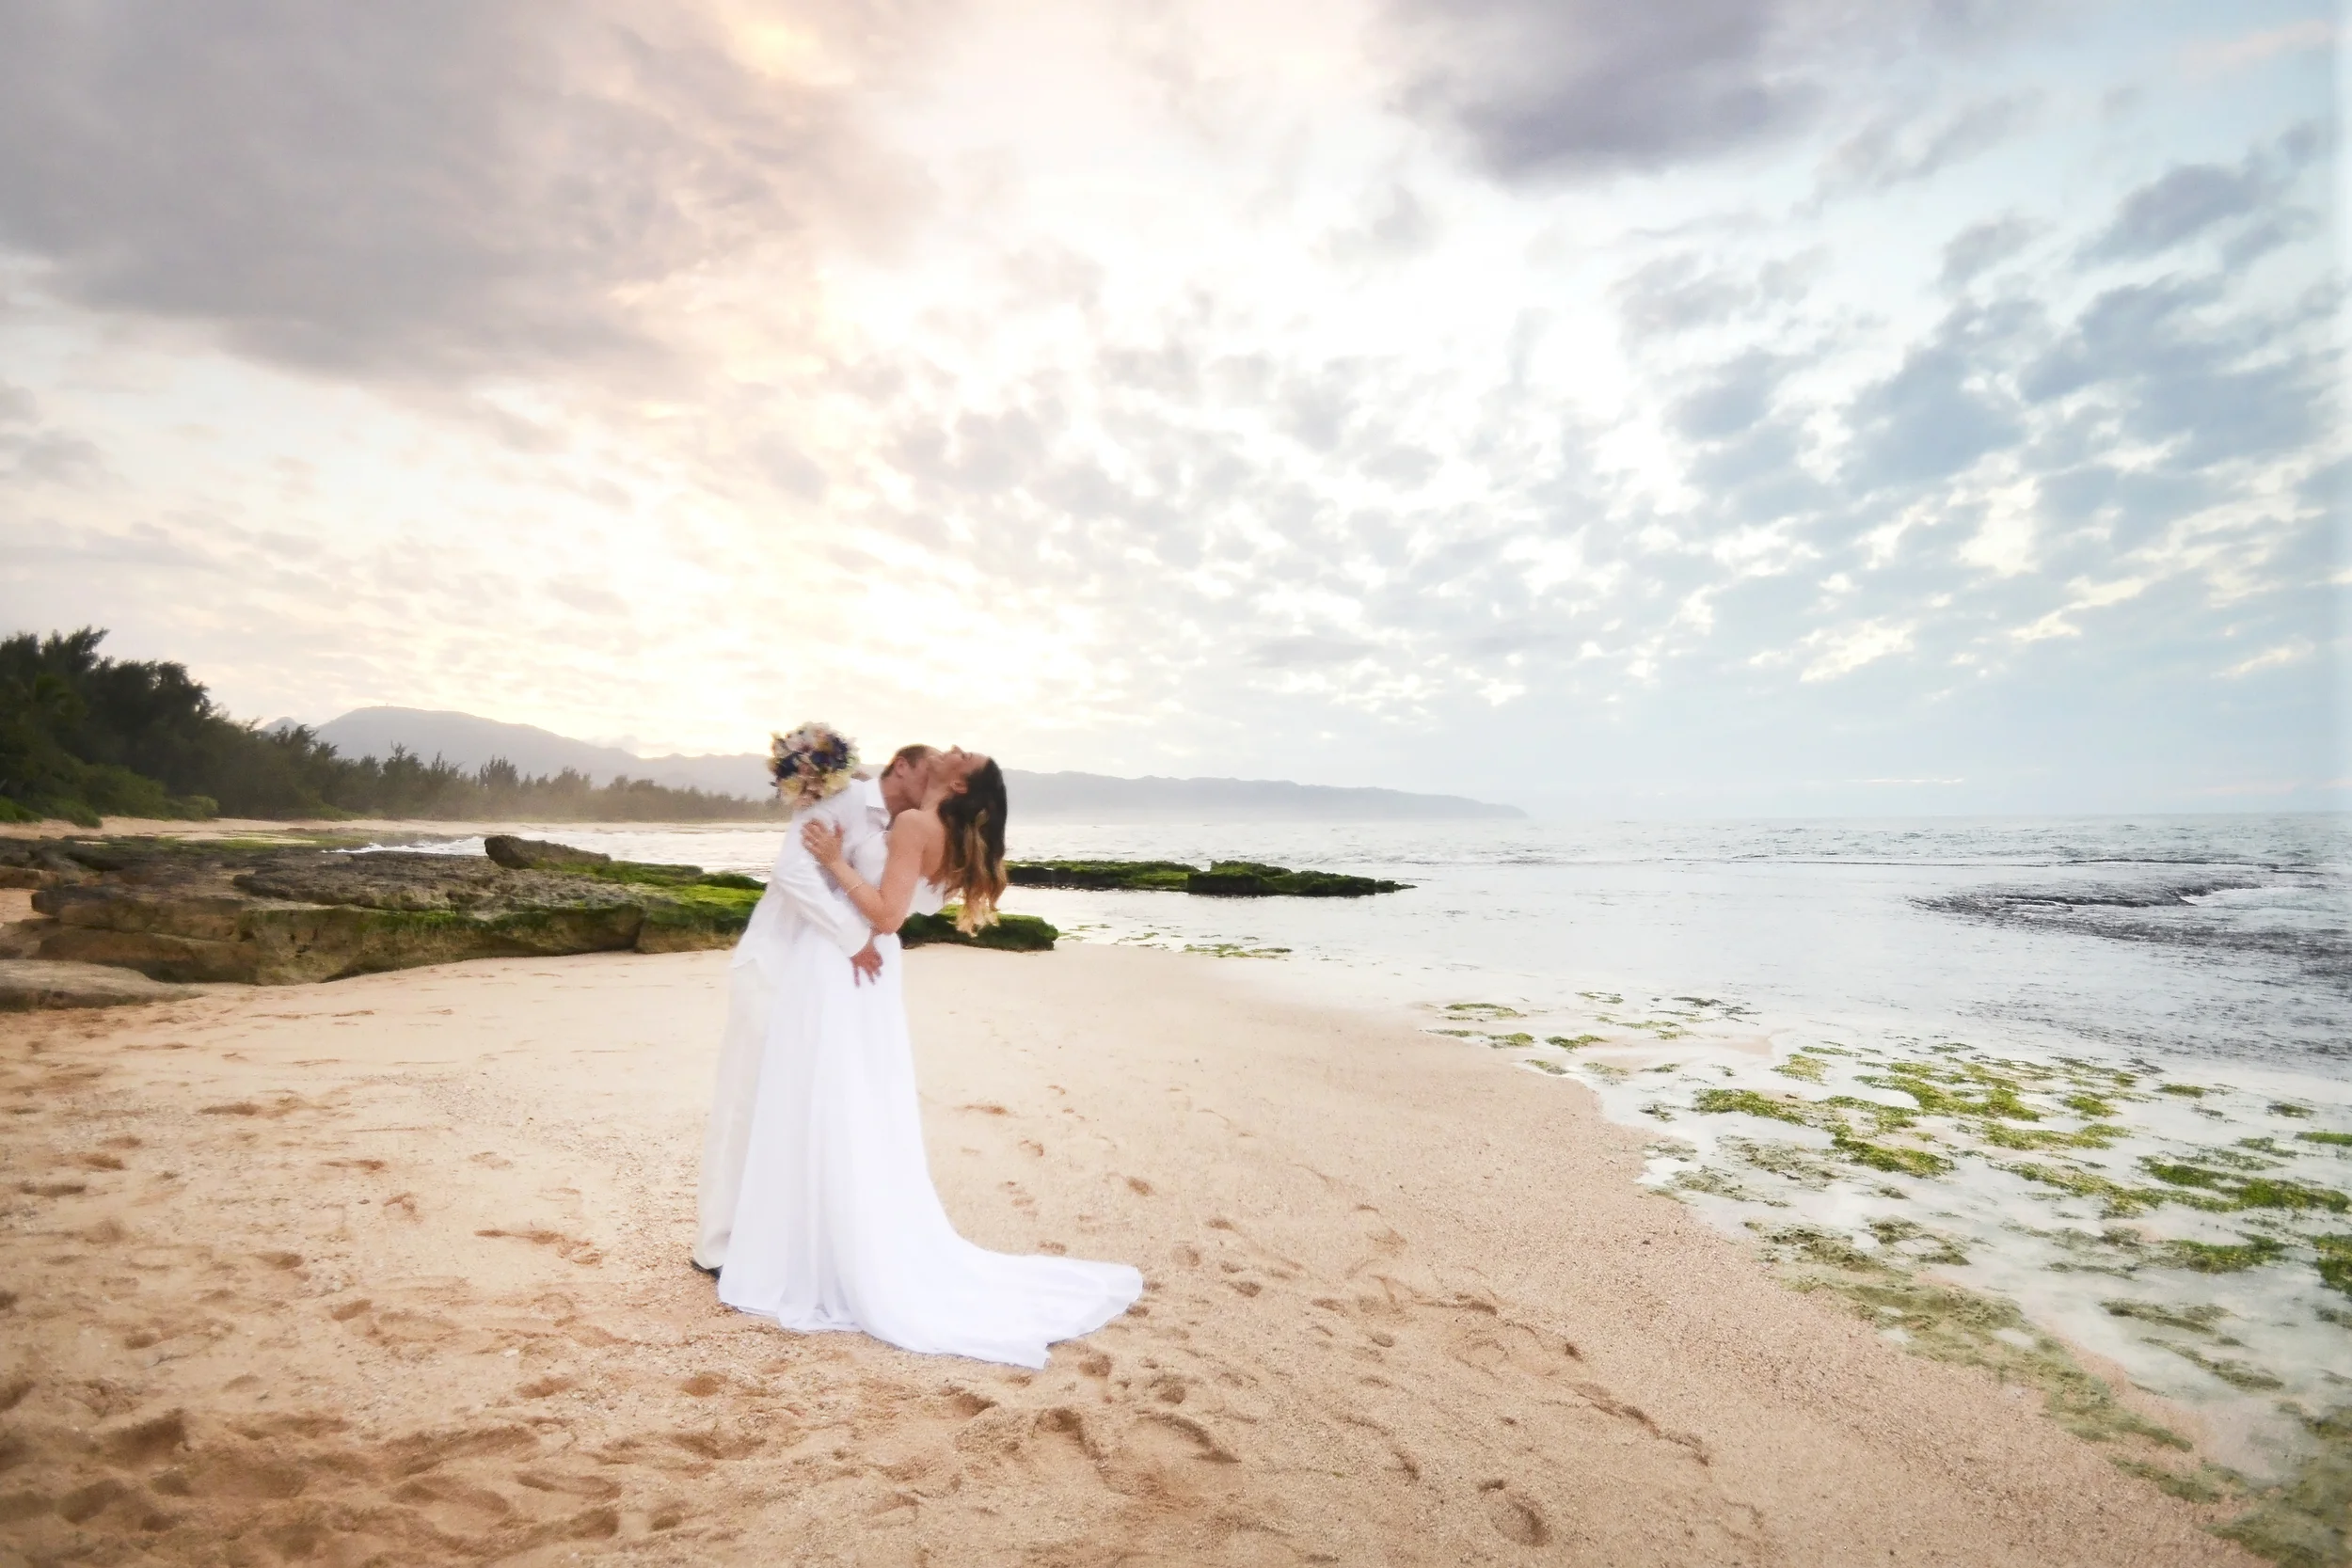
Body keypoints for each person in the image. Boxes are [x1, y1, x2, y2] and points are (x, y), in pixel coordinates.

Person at [711, 745, 1143, 1368]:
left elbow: (886, 915)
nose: (950, 749)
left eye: (961, 754)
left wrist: (835, 859)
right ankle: (818, 1238)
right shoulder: (939, 834)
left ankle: (809, 1250)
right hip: (873, 976)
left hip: (847, 965)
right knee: (851, 1099)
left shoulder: (915, 826)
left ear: (959, 780)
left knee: (829, 1095)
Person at [691, 743, 934, 1275]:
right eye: (930, 767)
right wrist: (852, 938)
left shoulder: (905, 828)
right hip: (776, 961)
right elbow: (792, 874)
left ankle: (780, 1235)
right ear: (903, 767)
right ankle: (716, 1244)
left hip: (825, 979)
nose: (937, 777)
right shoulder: (842, 797)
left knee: (800, 1104)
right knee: (746, 1096)